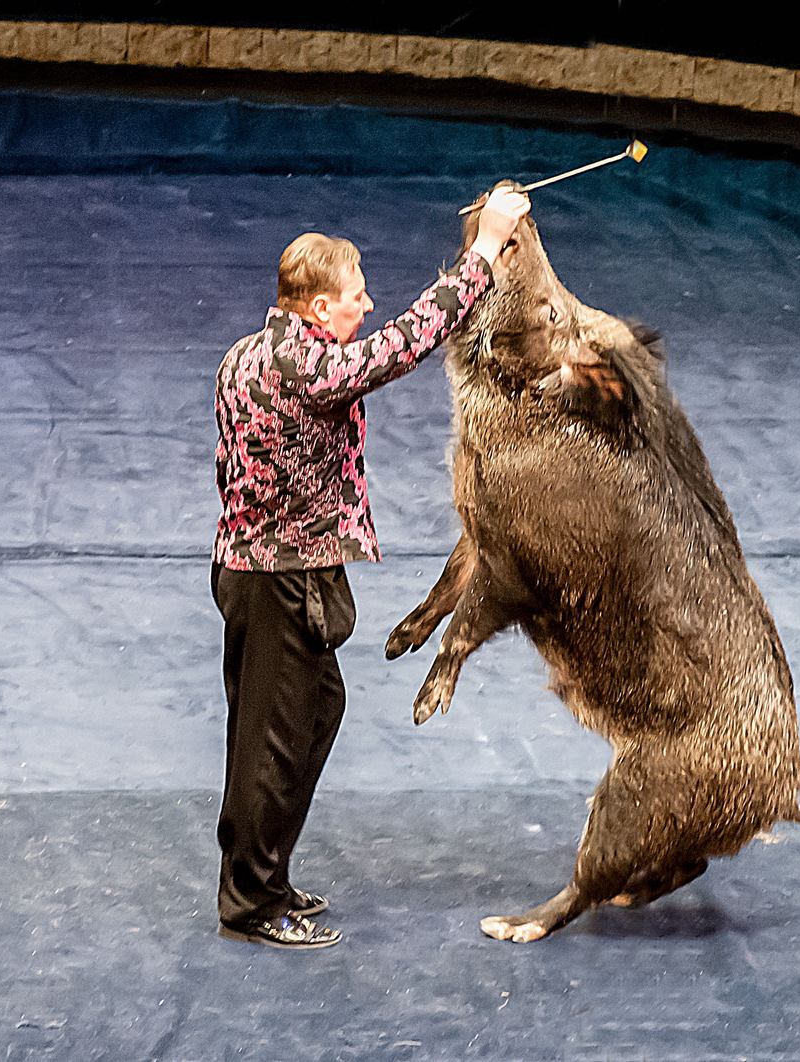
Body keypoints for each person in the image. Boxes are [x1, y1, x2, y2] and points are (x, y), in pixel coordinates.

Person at [210, 186, 531, 949]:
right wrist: (483, 248)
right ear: (320, 308)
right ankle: (250, 902)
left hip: (268, 566)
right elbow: (406, 343)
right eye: (356, 297)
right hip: (279, 578)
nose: (367, 305)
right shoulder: (306, 366)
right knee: (272, 746)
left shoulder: (246, 354)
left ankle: (266, 872)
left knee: (314, 713)